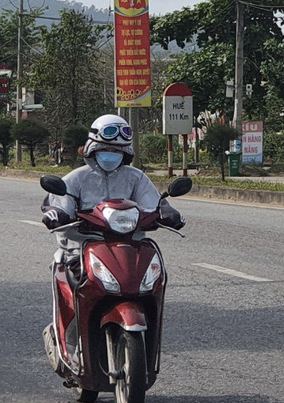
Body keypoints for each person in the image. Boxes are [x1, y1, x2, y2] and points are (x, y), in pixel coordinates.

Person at [42, 114, 181, 284]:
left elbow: (153, 202)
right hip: (81, 248)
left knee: (156, 277)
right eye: (105, 148)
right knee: (82, 281)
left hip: (131, 247)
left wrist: (168, 214)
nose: (111, 154)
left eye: (117, 150)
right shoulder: (76, 178)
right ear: (93, 148)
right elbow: (60, 203)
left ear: (125, 152)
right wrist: (57, 214)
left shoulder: (136, 177)